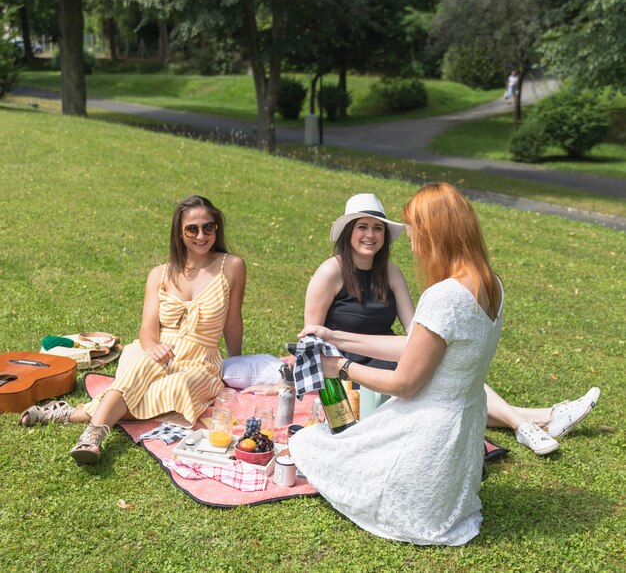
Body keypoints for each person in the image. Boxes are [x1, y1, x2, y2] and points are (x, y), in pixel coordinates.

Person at [244, 193, 599, 456]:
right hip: (345, 364)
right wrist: (336, 358)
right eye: (362, 227)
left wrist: (421, 350)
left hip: (390, 355)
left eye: (377, 229)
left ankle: (539, 420)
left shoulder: (391, 273)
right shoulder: (330, 271)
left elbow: (417, 331)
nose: (371, 235)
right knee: (447, 376)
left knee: (446, 369)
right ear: (348, 232)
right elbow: (314, 341)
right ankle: (534, 420)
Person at [290, 182, 504, 545]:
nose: (412, 240)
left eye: (415, 230)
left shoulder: (444, 295)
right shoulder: (492, 284)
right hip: (462, 432)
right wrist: (338, 338)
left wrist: (338, 367)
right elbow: (417, 345)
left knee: (311, 446)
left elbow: (405, 384)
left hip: (429, 432)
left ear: (436, 233)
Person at [18, 195, 246, 465]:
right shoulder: (159, 274)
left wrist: (237, 365)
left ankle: (71, 414)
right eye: (191, 229)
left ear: (216, 228)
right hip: (158, 349)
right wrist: (153, 348)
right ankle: (92, 437)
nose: (201, 235)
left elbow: (233, 321)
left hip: (201, 358)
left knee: (178, 389)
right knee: (142, 370)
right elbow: (147, 329)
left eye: (208, 227)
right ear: (179, 232)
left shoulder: (231, 266)